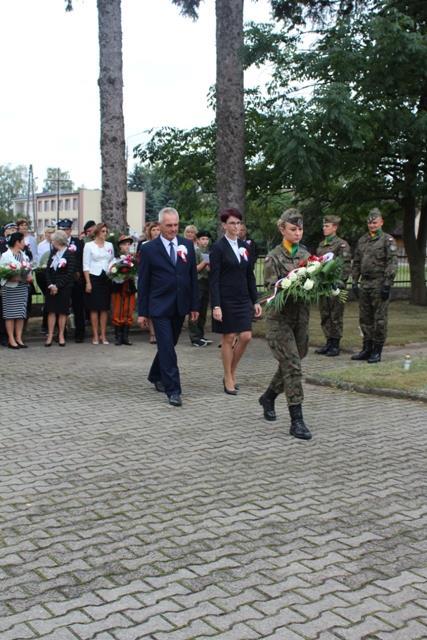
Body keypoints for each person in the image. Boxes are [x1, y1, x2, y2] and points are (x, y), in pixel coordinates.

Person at [137, 207, 199, 407]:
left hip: (180, 304)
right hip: (159, 305)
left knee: (168, 344)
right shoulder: (148, 249)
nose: (173, 229)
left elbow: (192, 278)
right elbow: (144, 282)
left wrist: (194, 306)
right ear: (160, 225)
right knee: (167, 348)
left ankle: (155, 374)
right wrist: (143, 312)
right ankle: (173, 390)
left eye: (176, 225)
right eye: (169, 225)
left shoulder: (187, 245)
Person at [259, 208, 312, 440]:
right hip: (279, 319)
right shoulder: (273, 257)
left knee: (295, 359)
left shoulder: (307, 254)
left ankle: (269, 396)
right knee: (293, 366)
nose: (297, 233)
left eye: (300, 229)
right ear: (282, 229)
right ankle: (297, 420)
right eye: (293, 229)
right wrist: (291, 284)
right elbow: (274, 288)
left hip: (300, 318)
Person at [210, 208, 261, 395]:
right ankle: (228, 376)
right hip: (226, 299)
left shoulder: (245, 246)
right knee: (229, 337)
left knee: (246, 336)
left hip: (243, 298)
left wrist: (255, 300)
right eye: (232, 223)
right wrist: (216, 305)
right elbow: (214, 279)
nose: (236, 226)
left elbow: (250, 276)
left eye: (238, 223)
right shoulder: (218, 248)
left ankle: (231, 370)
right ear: (224, 225)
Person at [351, 208, 398, 363]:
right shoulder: (362, 240)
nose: (372, 225)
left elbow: (392, 263)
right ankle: (367, 348)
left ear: (381, 222)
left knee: (379, 319)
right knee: (365, 318)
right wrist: (354, 281)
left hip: (379, 283)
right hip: (365, 283)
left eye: (375, 222)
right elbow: (356, 262)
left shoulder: (387, 240)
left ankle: (377, 351)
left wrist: (387, 284)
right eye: (370, 223)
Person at [314, 215, 352, 356]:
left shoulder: (341, 245)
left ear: (335, 227)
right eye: (324, 226)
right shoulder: (321, 245)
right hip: (323, 285)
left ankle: (335, 344)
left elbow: (346, 266)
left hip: (336, 286)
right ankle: (328, 342)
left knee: (335, 315)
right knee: (325, 314)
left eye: (327, 226)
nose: (324, 228)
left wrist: (339, 281)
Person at [0, 231, 33, 349]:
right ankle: (11, 338)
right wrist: (12, 277)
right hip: (10, 288)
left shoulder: (24, 255)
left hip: (22, 288)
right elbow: (2, 272)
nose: (24, 243)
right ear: (17, 242)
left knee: (20, 314)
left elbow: (29, 269)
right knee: (10, 315)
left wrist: (28, 275)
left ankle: (19, 338)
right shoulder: (5, 255)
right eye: (23, 241)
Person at [44, 230, 77, 347]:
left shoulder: (69, 254)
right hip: (51, 287)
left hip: (64, 287)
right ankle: (50, 335)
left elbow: (70, 273)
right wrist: (51, 285)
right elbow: (47, 270)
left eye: (53, 240)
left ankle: (61, 335)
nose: (52, 242)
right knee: (51, 311)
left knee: (62, 312)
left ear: (58, 241)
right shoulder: (53, 253)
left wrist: (58, 285)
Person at [83, 222, 114, 344]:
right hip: (94, 277)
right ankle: (95, 335)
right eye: (103, 231)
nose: (105, 233)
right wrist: (88, 283)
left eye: (106, 231)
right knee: (94, 308)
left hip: (106, 278)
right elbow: (85, 265)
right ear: (97, 232)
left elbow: (112, 261)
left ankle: (103, 335)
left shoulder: (109, 245)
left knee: (104, 308)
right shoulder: (89, 246)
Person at [57, 218, 86, 342]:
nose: (65, 232)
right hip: (62, 279)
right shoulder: (56, 242)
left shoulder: (78, 242)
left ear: (70, 230)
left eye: (67, 229)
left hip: (76, 279)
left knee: (78, 307)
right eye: (62, 229)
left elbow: (82, 259)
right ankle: (61, 333)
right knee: (61, 307)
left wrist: (78, 272)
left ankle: (80, 333)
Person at [111, 234, 136, 346]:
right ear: (120, 246)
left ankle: (126, 336)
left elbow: (136, 273)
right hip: (118, 287)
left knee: (128, 310)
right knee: (118, 310)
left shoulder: (133, 259)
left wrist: (132, 274)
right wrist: (119, 275)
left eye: (128, 244)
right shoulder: (115, 259)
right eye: (124, 244)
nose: (127, 246)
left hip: (129, 287)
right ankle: (118, 336)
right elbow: (111, 272)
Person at [189, 230, 213, 347]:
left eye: (207, 239)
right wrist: (205, 262)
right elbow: (194, 269)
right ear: (197, 240)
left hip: (206, 282)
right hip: (197, 283)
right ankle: (194, 337)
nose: (205, 241)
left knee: (203, 310)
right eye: (202, 239)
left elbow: (208, 270)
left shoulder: (208, 252)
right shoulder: (194, 251)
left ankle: (200, 335)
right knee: (196, 310)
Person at [139, 221, 161, 344]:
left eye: (158, 229)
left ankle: (158, 332)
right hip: (150, 279)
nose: (156, 232)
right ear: (149, 232)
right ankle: (152, 333)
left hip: (160, 280)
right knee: (152, 307)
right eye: (153, 230)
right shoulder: (145, 245)